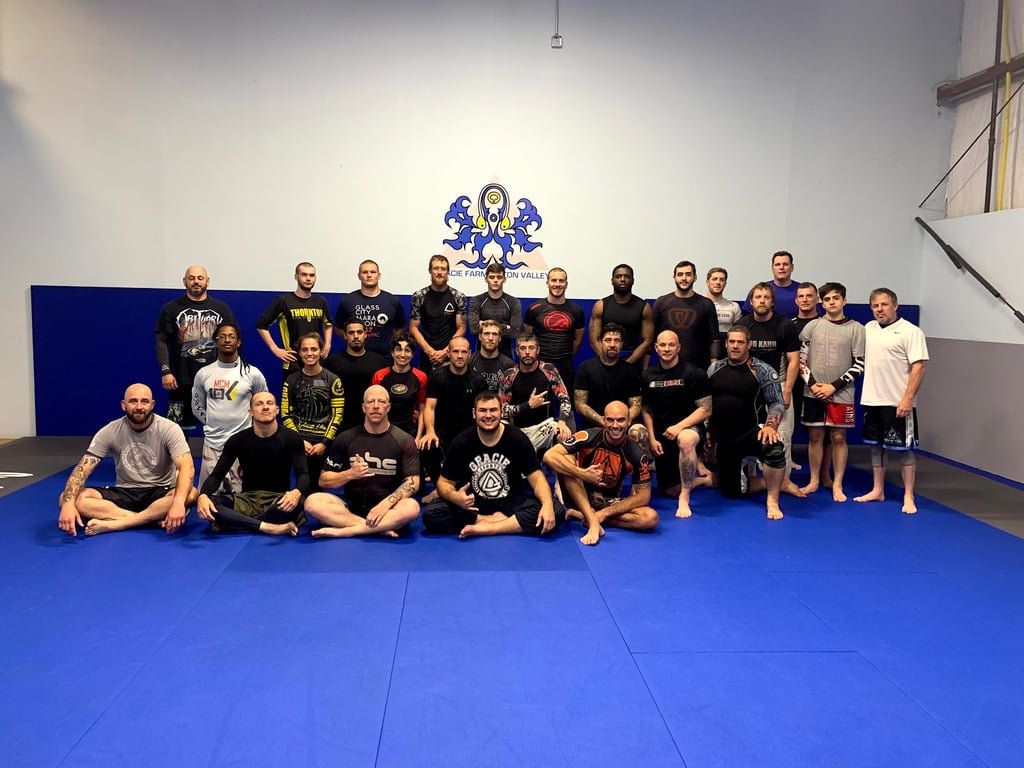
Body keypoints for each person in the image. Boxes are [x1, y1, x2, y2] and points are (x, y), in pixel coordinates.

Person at [57, 383, 197, 537]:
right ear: (124, 405)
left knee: (191, 494)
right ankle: (148, 520)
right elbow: (83, 469)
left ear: (152, 405)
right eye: (133, 401)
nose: (139, 407)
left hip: (160, 491)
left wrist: (178, 503)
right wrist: (68, 505)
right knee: (67, 498)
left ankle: (118, 523)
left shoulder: (169, 429)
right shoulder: (110, 430)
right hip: (125, 492)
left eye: (144, 402)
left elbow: (187, 467)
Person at [421, 391, 565, 538]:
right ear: (474, 413)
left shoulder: (518, 439)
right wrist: (455, 497)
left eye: (493, 410)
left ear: (502, 412)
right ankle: (493, 521)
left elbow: (538, 479)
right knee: (432, 514)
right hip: (473, 503)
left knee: (555, 510)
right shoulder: (462, 442)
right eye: (483, 410)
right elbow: (444, 483)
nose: (488, 415)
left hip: (510, 501)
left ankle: (489, 528)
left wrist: (547, 505)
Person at [303, 385, 421, 538]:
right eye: (371, 402)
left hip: (388, 508)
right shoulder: (346, 438)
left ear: (388, 407)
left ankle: (347, 531)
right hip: (351, 505)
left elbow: (413, 482)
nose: (376, 406)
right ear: (363, 407)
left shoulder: (404, 440)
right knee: (312, 502)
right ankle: (377, 528)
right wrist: (350, 474)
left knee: (412, 507)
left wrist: (385, 504)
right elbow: (324, 481)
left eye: (381, 402)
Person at [854, 288, 928, 514]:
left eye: (884, 305)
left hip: (898, 402)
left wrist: (907, 399)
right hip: (872, 400)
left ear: (895, 306)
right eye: (875, 306)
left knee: (905, 450)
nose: (880, 309)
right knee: (875, 447)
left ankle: (908, 496)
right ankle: (878, 490)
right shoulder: (869, 328)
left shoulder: (911, 331)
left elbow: (918, 367)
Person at [544, 401, 657, 545]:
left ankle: (587, 516)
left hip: (607, 501)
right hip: (578, 495)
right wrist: (582, 473)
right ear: (603, 420)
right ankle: (592, 522)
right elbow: (549, 456)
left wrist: (604, 513)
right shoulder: (588, 436)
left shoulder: (636, 453)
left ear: (629, 421)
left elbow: (644, 496)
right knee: (566, 460)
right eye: (610, 420)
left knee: (650, 518)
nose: (615, 425)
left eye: (620, 420)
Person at [195, 392, 308, 536]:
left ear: (277, 410)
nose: (265, 407)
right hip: (246, 500)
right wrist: (203, 495)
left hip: (278, 500)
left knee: (300, 501)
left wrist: (297, 492)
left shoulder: (292, 438)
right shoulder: (237, 440)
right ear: (251, 412)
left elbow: (303, 474)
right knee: (211, 503)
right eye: (259, 404)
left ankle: (236, 524)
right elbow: (217, 475)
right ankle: (268, 527)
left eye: (269, 403)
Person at [707, 327, 789, 520]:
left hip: (754, 432)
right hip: (726, 438)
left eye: (740, 342)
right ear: (726, 344)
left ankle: (772, 500)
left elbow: (777, 403)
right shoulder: (714, 369)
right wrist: (710, 435)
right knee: (732, 491)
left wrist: (770, 426)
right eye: (732, 342)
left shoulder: (762, 370)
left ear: (749, 345)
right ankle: (777, 483)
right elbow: (708, 406)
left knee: (774, 448)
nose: (735, 346)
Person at [797, 283, 865, 502]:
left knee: (838, 437)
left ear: (844, 301)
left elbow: (860, 364)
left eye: (836, 298)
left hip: (841, 393)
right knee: (815, 436)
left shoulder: (857, 329)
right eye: (827, 299)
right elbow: (800, 361)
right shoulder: (812, 326)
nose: (831, 302)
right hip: (813, 392)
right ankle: (814, 481)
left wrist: (833, 386)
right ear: (822, 302)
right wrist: (814, 385)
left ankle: (837, 484)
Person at [736, 282, 803, 494]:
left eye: (766, 297)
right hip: (749, 387)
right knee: (749, 433)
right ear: (751, 301)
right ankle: (751, 480)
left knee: (782, 436)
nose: (762, 301)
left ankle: (783, 482)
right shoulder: (743, 324)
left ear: (772, 302)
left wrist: (787, 390)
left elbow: (794, 360)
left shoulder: (785, 325)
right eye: (758, 297)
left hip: (778, 386)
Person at [154, 265, 236, 430]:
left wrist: (233, 371)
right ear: (184, 281)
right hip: (180, 380)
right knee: (176, 428)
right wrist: (165, 371)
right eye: (191, 278)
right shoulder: (171, 308)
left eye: (200, 278)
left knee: (219, 426)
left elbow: (233, 341)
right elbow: (161, 341)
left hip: (215, 378)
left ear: (207, 281)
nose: (196, 281)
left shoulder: (221, 309)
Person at [641, 329, 712, 517]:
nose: (667, 349)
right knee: (669, 489)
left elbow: (706, 409)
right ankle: (704, 480)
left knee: (686, 439)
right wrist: (652, 438)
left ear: (678, 347)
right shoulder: (648, 375)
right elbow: (646, 409)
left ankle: (684, 498)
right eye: (663, 345)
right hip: (663, 435)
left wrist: (680, 427)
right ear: (656, 348)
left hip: (689, 429)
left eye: (671, 345)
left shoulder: (693, 373)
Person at [191, 322, 269, 491]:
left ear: (238, 342)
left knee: (241, 497)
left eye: (232, 336)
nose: (227, 340)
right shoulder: (204, 374)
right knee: (208, 496)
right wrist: (212, 422)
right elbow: (197, 407)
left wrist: (251, 431)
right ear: (215, 342)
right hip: (213, 444)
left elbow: (264, 406)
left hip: (243, 445)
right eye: (222, 337)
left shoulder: (252, 374)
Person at [416, 337, 488, 495]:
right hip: (442, 433)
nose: (460, 355)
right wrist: (430, 432)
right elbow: (429, 407)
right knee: (427, 447)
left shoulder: (478, 381)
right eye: (456, 351)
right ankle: (440, 489)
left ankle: (457, 487)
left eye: (463, 352)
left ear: (469, 354)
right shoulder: (437, 376)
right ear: (448, 353)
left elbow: (483, 412)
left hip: (469, 434)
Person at [281, 333, 345, 492]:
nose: (309, 353)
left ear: (321, 351)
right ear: (299, 352)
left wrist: (324, 443)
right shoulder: (291, 380)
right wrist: (299, 441)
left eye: (314, 349)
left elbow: (337, 415)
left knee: (315, 490)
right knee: (296, 487)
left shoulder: (333, 380)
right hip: (297, 442)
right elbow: (285, 414)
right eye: (305, 350)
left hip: (322, 444)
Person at [256, 261, 333, 381]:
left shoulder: (320, 302)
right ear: (296, 277)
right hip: (293, 363)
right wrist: (275, 349)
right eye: (304, 275)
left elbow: (328, 324)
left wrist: (328, 344)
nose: (308, 278)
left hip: (316, 362)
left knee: (318, 392)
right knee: (292, 393)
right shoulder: (284, 301)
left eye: (311, 275)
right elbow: (261, 325)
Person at [498, 333, 573, 452]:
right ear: (517, 351)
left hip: (545, 427)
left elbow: (565, 399)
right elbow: (502, 410)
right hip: (519, 430)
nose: (527, 352)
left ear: (537, 350)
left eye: (531, 348)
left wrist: (562, 421)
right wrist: (528, 406)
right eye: (523, 348)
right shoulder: (509, 375)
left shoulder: (549, 370)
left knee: (564, 435)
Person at [523, 267, 586, 397]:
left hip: (565, 367)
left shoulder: (576, 311)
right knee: (539, 405)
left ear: (566, 284)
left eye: (561, 281)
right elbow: (528, 338)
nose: (557, 284)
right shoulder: (534, 309)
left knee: (566, 405)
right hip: (540, 366)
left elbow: (578, 341)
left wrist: (563, 356)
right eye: (554, 280)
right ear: (547, 283)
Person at [574, 323, 643, 432]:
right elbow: (580, 404)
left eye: (617, 340)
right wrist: (602, 421)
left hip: (623, 426)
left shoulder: (630, 370)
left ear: (621, 344)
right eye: (608, 340)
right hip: (594, 424)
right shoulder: (585, 367)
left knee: (640, 432)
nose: (612, 344)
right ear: (600, 343)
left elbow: (636, 405)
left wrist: (620, 421)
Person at [652, 260, 720, 370]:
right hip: (667, 367)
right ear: (674, 278)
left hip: (698, 367)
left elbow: (714, 338)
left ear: (695, 277)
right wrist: (646, 366)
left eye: (688, 274)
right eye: (680, 274)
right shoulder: (661, 302)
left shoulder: (706, 304)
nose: (684, 278)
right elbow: (651, 336)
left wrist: (713, 366)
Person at [334, 259, 407, 360]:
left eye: (373, 272)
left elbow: (402, 327)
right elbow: (338, 327)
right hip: (356, 357)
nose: (369, 275)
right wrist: (352, 340)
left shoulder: (392, 301)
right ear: (359, 276)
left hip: (385, 358)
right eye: (365, 272)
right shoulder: (348, 301)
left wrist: (390, 342)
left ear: (379, 275)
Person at [324, 320, 387, 433]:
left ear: (365, 334)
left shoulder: (378, 361)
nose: (356, 336)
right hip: (340, 421)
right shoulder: (332, 361)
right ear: (345, 335)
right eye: (351, 332)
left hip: (370, 419)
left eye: (359, 332)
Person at [409, 254, 467, 372]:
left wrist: (446, 352)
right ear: (430, 271)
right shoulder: (419, 296)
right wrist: (430, 352)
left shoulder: (458, 297)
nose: (439, 272)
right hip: (427, 355)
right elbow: (413, 327)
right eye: (436, 268)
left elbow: (461, 327)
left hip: (450, 355)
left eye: (443, 269)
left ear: (448, 272)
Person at [588, 264, 654, 365]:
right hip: (605, 360)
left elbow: (648, 341)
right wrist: (606, 360)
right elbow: (594, 339)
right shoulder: (600, 305)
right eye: (618, 276)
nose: (622, 279)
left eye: (626, 276)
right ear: (612, 281)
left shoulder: (644, 307)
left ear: (633, 280)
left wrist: (628, 363)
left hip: (632, 360)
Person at [371, 330, 428, 437]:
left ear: (413, 354)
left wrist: (418, 437)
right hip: (383, 430)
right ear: (392, 353)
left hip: (410, 430)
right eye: (398, 350)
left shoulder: (421, 377)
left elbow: (422, 409)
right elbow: (372, 407)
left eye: (407, 350)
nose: (402, 354)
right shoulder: (379, 376)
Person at [468, 263, 522, 358]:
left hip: (506, 355)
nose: (495, 280)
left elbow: (515, 333)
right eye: (492, 277)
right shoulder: (476, 301)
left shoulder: (513, 302)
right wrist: (505, 326)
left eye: (499, 277)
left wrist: (484, 324)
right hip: (481, 355)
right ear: (486, 279)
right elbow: (473, 329)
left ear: (504, 279)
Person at [743, 250, 799, 318]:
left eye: (785, 264)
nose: (781, 267)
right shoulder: (760, 290)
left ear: (792, 267)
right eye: (777, 264)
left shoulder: (802, 291)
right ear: (772, 268)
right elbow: (746, 317)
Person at [469, 319, 514, 391]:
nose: (490, 338)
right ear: (480, 336)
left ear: (500, 338)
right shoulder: (469, 362)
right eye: (486, 333)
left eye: (494, 334)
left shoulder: (508, 365)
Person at [705, 266, 742, 338]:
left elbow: (738, 332)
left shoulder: (734, 306)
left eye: (722, 280)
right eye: (714, 279)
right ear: (707, 282)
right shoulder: (698, 304)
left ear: (725, 284)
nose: (718, 282)